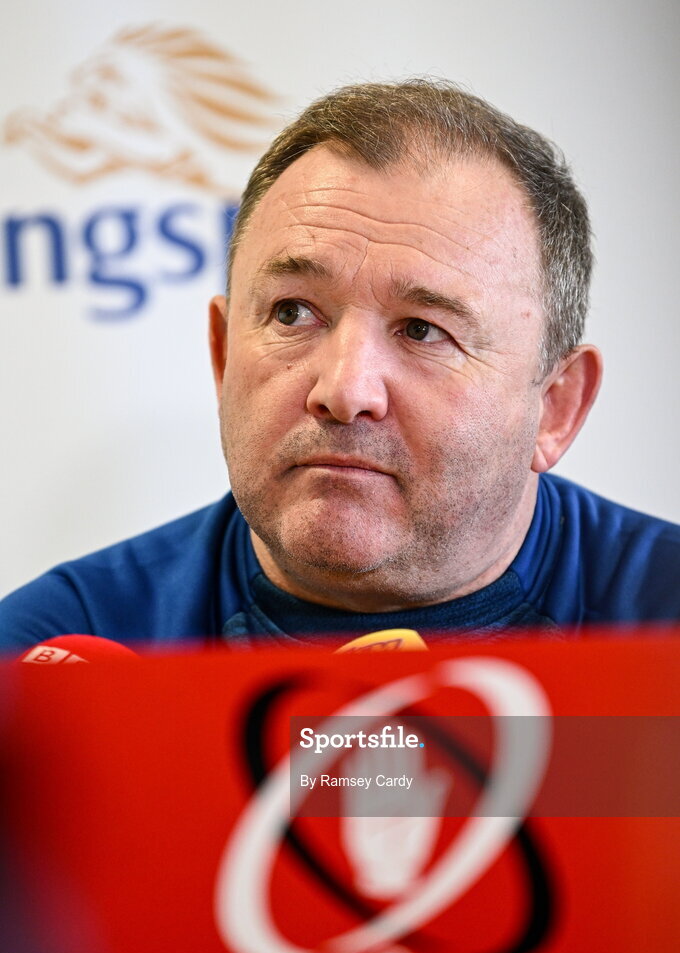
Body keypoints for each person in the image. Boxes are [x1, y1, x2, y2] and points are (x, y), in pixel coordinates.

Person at [1, 79, 679, 652]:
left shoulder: (661, 625)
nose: (344, 390)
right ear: (223, 352)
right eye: (294, 313)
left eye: (422, 330)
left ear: (555, 407)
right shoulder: (50, 656)